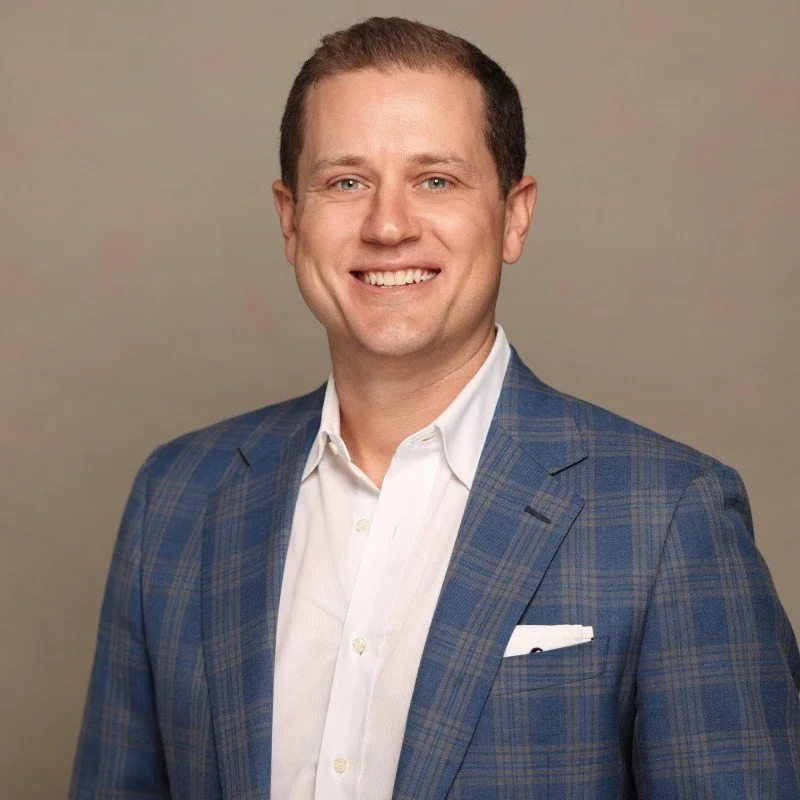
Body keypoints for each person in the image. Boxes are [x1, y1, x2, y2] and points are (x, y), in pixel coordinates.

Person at [70, 16, 800, 799]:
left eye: (437, 180)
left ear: (514, 215)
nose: (388, 225)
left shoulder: (670, 518)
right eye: (346, 181)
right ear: (290, 219)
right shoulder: (176, 500)